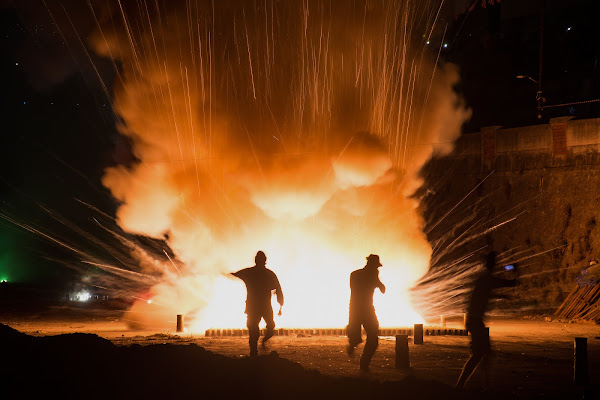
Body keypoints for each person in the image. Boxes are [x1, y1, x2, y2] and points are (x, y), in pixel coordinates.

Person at [456, 251, 518, 389]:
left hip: (474, 321)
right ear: (493, 264)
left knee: (485, 353)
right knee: (479, 355)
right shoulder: (489, 279)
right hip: (476, 322)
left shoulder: (483, 279)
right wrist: (516, 271)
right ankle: (462, 385)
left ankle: (484, 385)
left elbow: (484, 294)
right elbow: (511, 283)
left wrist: (501, 297)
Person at [231, 251, 284, 357]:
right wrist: (280, 303)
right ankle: (257, 348)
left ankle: (254, 351)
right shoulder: (269, 274)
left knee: (254, 328)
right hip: (263, 306)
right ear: (265, 261)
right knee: (266, 327)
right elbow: (278, 289)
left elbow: (235, 275)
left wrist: (222, 273)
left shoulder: (249, 272)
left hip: (254, 306)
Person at [346, 254, 386, 372]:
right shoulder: (371, 275)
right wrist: (378, 282)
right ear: (372, 265)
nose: (377, 269)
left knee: (357, 335)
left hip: (355, 309)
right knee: (373, 337)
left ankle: (353, 343)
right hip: (366, 309)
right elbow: (381, 288)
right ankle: (363, 363)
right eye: (376, 267)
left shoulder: (354, 274)